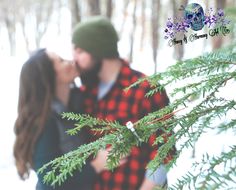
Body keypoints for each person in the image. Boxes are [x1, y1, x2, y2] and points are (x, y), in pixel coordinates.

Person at [72, 16, 175, 190]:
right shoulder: (85, 93)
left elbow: (164, 151)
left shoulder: (145, 89)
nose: (74, 58)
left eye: (80, 51)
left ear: (99, 52)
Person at [13, 49, 111, 190]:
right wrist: (97, 165)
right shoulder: (44, 122)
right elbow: (50, 181)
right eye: (61, 60)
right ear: (49, 76)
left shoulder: (74, 104)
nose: (70, 61)